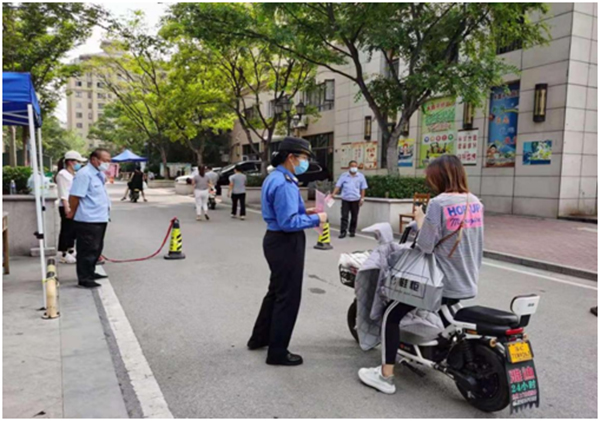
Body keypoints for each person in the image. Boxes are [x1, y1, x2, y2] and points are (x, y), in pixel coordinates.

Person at [358, 154, 484, 394]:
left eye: (431, 177)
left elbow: (425, 246)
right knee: (446, 315)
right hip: (466, 279)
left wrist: (419, 219)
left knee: (390, 314)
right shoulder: (475, 202)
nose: (430, 182)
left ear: (441, 177)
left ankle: (385, 376)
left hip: (438, 283)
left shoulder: (439, 203)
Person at [247, 137, 328, 366]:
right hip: (285, 242)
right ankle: (278, 351)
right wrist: (317, 219)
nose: (305, 163)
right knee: (288, 298)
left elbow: (286, 212)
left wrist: (306, 211)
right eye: (303, 158)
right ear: (291, 157)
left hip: (276, 240)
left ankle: (259, 337)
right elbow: (288, 222)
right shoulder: (284, 183)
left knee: (275, 292)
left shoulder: (276, 177)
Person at [67, 148, 112, 289]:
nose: (107, 163)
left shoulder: (98, 174)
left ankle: (90, 272)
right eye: (105, 160)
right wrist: (72, 212)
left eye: (109, 161)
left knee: (96, 248)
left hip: (100, 217)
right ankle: (84, 278)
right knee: (87, 249)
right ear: (94, 160)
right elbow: (75, 196)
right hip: (88, 219)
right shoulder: (84, 174)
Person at [55, 151, 87, 264]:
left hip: (73, 204)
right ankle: (62, 253)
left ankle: (71, 249)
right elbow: (63, 192)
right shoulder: (62, 174)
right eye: (77, 162)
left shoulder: (73, 174)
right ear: (70, 162)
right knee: (67, 229)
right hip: (66, 205)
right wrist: (67, 207)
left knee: (73, 229)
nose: (79, 164)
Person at [332, 160, 368, 238]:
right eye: (352, 166)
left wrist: (362, 199)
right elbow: (338, 185)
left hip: (356, 199)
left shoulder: (361, 176)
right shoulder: (344, 176)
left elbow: (363, 188)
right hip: (346, 199)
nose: (353, 167)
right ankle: (343, 232)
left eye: (355, 166)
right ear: (349, 167)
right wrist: (334, 193)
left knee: (354, 216)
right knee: (344, 216)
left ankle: (352, 231)